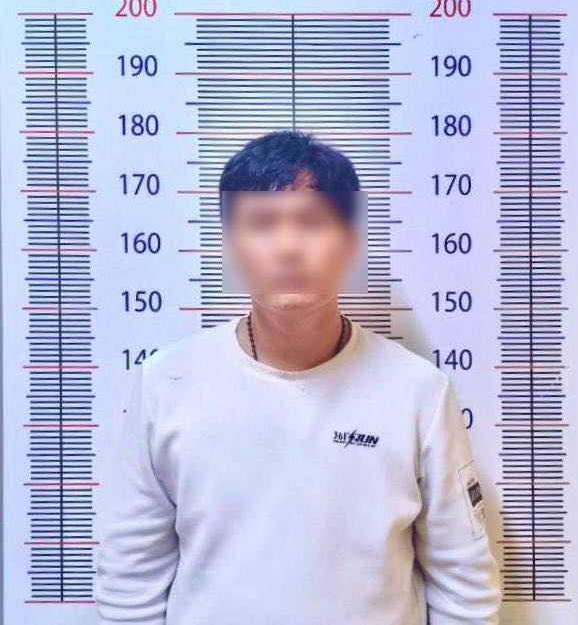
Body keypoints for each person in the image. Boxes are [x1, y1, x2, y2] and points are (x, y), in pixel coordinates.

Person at [95, 128, 502, 624]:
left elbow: (465, 585)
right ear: (230, 243)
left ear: (350, 242)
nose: (288, 247)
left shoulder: (418, 391)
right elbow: (130, 580)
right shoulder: (166, 383)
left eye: (311, 222)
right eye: (262, 224)